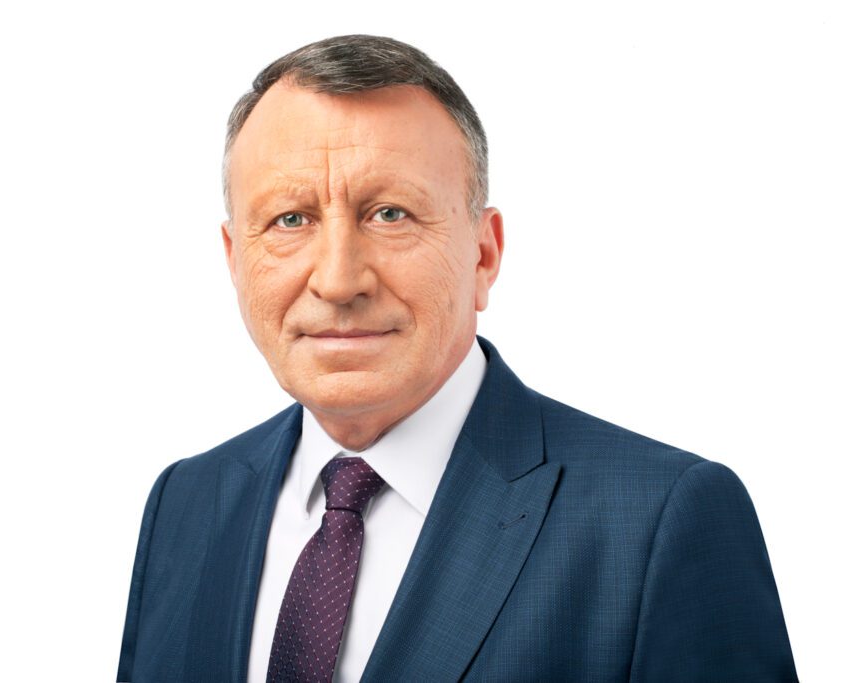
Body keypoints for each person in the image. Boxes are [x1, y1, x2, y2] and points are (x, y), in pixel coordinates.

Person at [116, 34, 797, 682]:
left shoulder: (659, 521)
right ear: (235, 260)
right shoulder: (186, 502)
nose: (338, 280)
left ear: (483, 253)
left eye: (390, 214)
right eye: (290, 219)